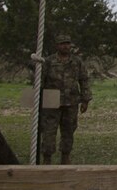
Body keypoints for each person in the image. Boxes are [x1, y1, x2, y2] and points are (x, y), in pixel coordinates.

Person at [38, 34, 92, 165]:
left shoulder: (77, 61)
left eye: (68, 43)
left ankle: (65, 156)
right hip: (51, 101)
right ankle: (47, 157)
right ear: (57, 46)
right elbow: (40, 81)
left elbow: (84, 80)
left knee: (68, 130)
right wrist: (38, 101)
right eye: (63, 43)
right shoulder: (48, 61)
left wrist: (85, 100)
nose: (66, 46)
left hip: (71, 101)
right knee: (49, 130)